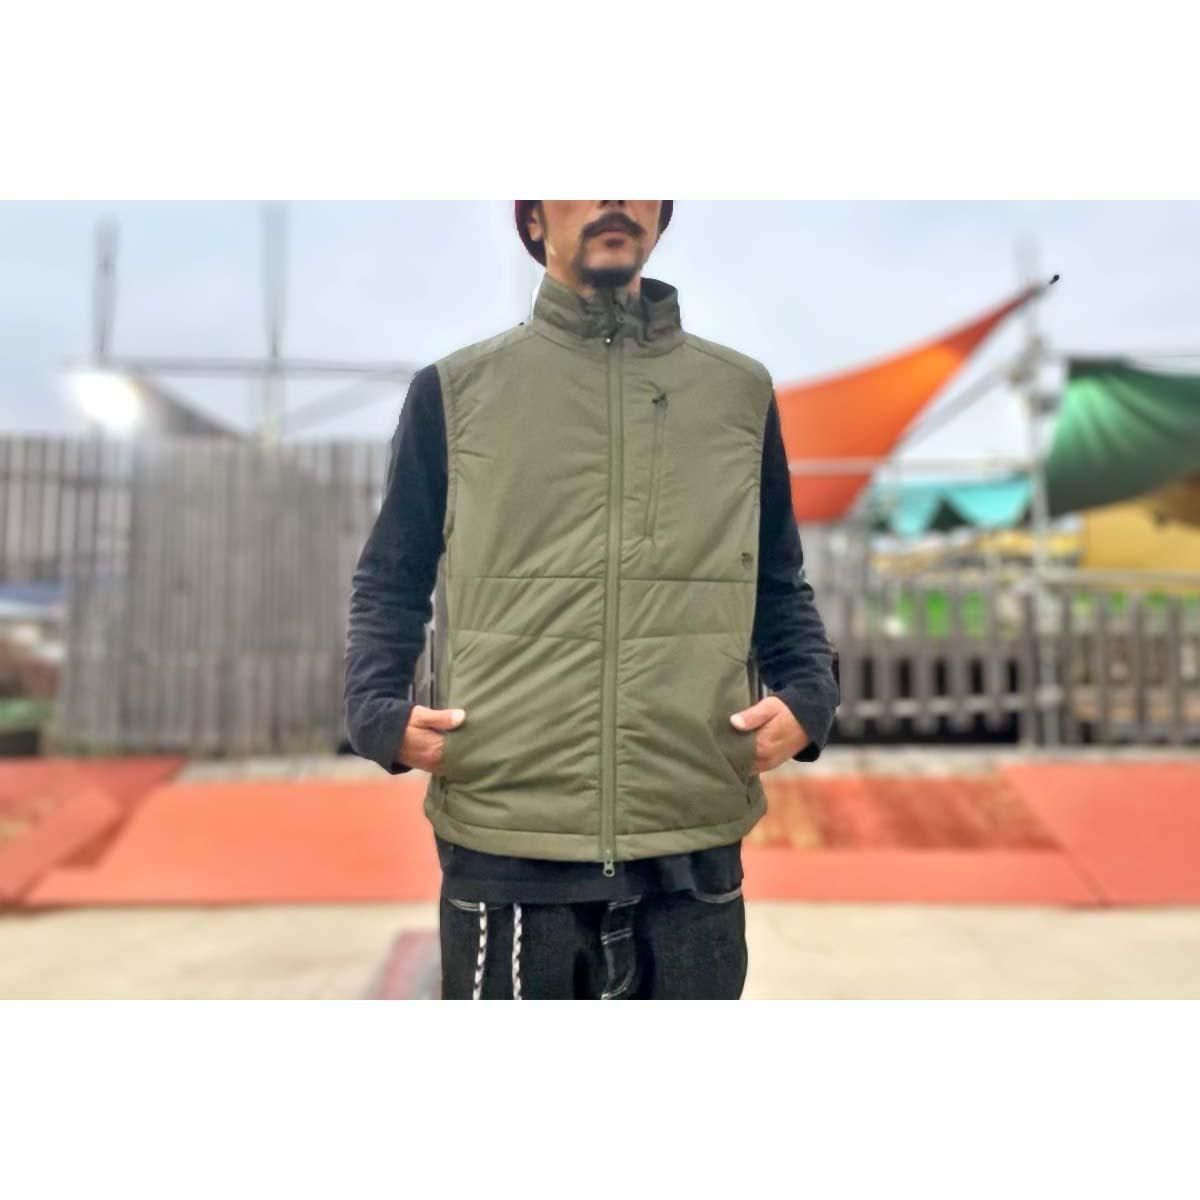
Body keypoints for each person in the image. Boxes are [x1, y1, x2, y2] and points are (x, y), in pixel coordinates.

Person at [344, 200, 838, 999]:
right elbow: (390, 579)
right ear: (533, 219)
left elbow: (778, 581)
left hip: (691, 845)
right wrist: (374, 707)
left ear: (661, 215)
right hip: (507, 843)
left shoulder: (739, 395)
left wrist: (811, 692)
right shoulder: (455, 393)